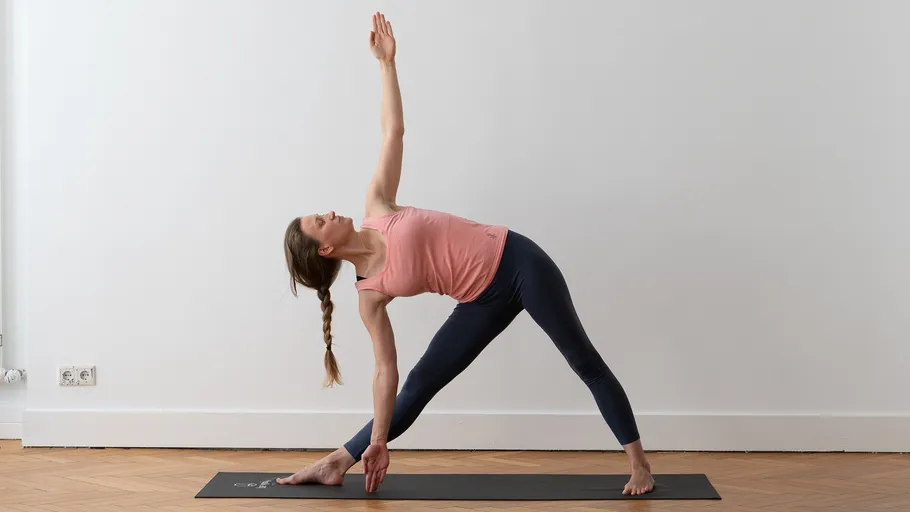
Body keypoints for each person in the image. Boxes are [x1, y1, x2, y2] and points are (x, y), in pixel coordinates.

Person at [278, 12, 655, 496]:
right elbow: (384, 371)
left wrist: (386, 65)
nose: (329, 211)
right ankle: (338, 461)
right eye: (319, 220)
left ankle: (640, 466)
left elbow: (393, 132)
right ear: (325, 247)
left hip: (519, 263)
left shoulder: (377, 204)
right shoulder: (369, 294)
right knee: (418, 383)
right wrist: (378, 439)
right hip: (481, 301)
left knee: (582, 359)